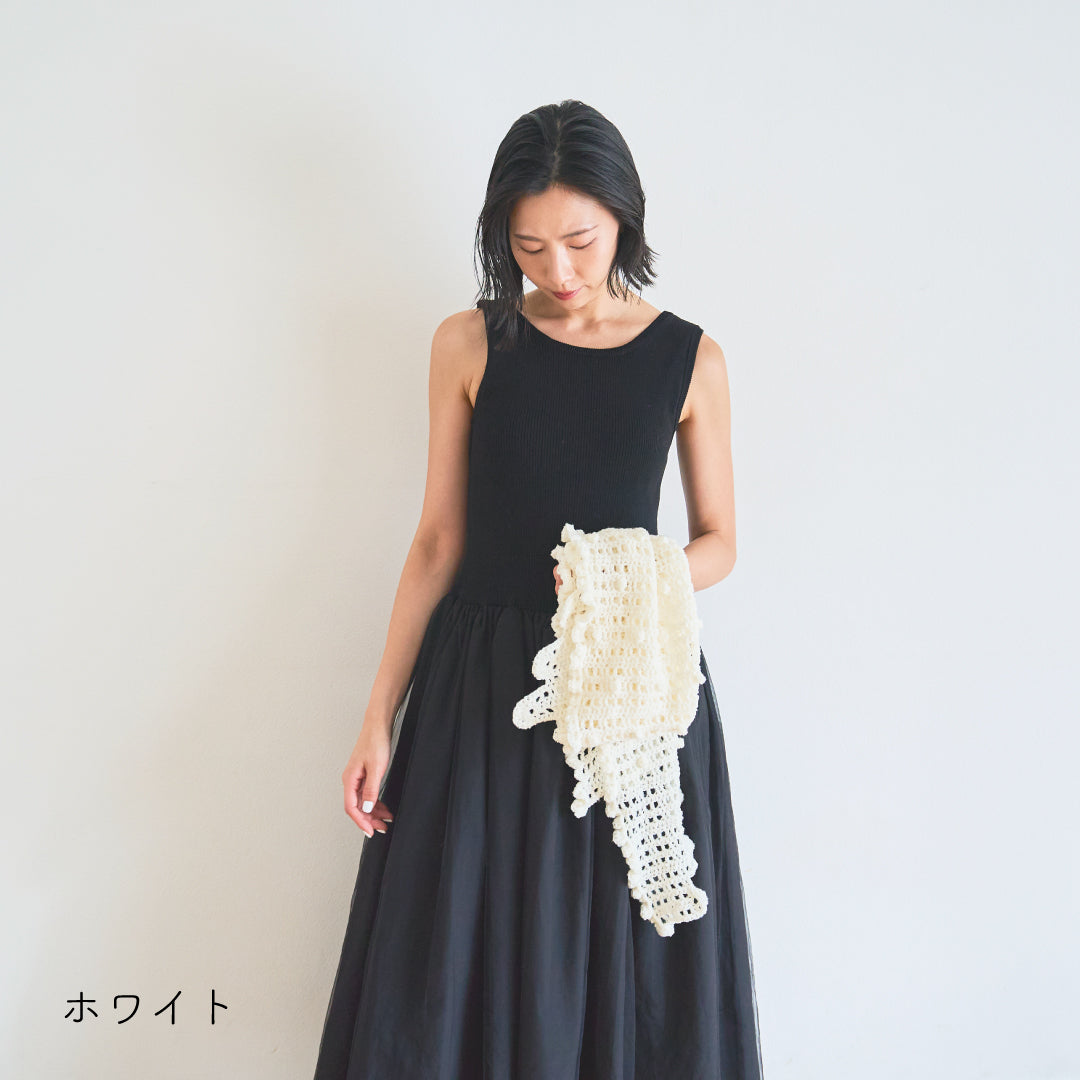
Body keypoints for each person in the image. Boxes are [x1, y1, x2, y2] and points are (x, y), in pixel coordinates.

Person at [312, 98, 765, 1080]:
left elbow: (722, 543)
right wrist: (377, 717)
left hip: (629, 691)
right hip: (479, 691)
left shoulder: (691, 358)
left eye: (580, 243)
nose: (557, 272)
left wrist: (627, 576)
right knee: (456, 955)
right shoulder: (468, 344)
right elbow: (438, 542)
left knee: (625, 959)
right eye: (528, 248)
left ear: (623, 221)